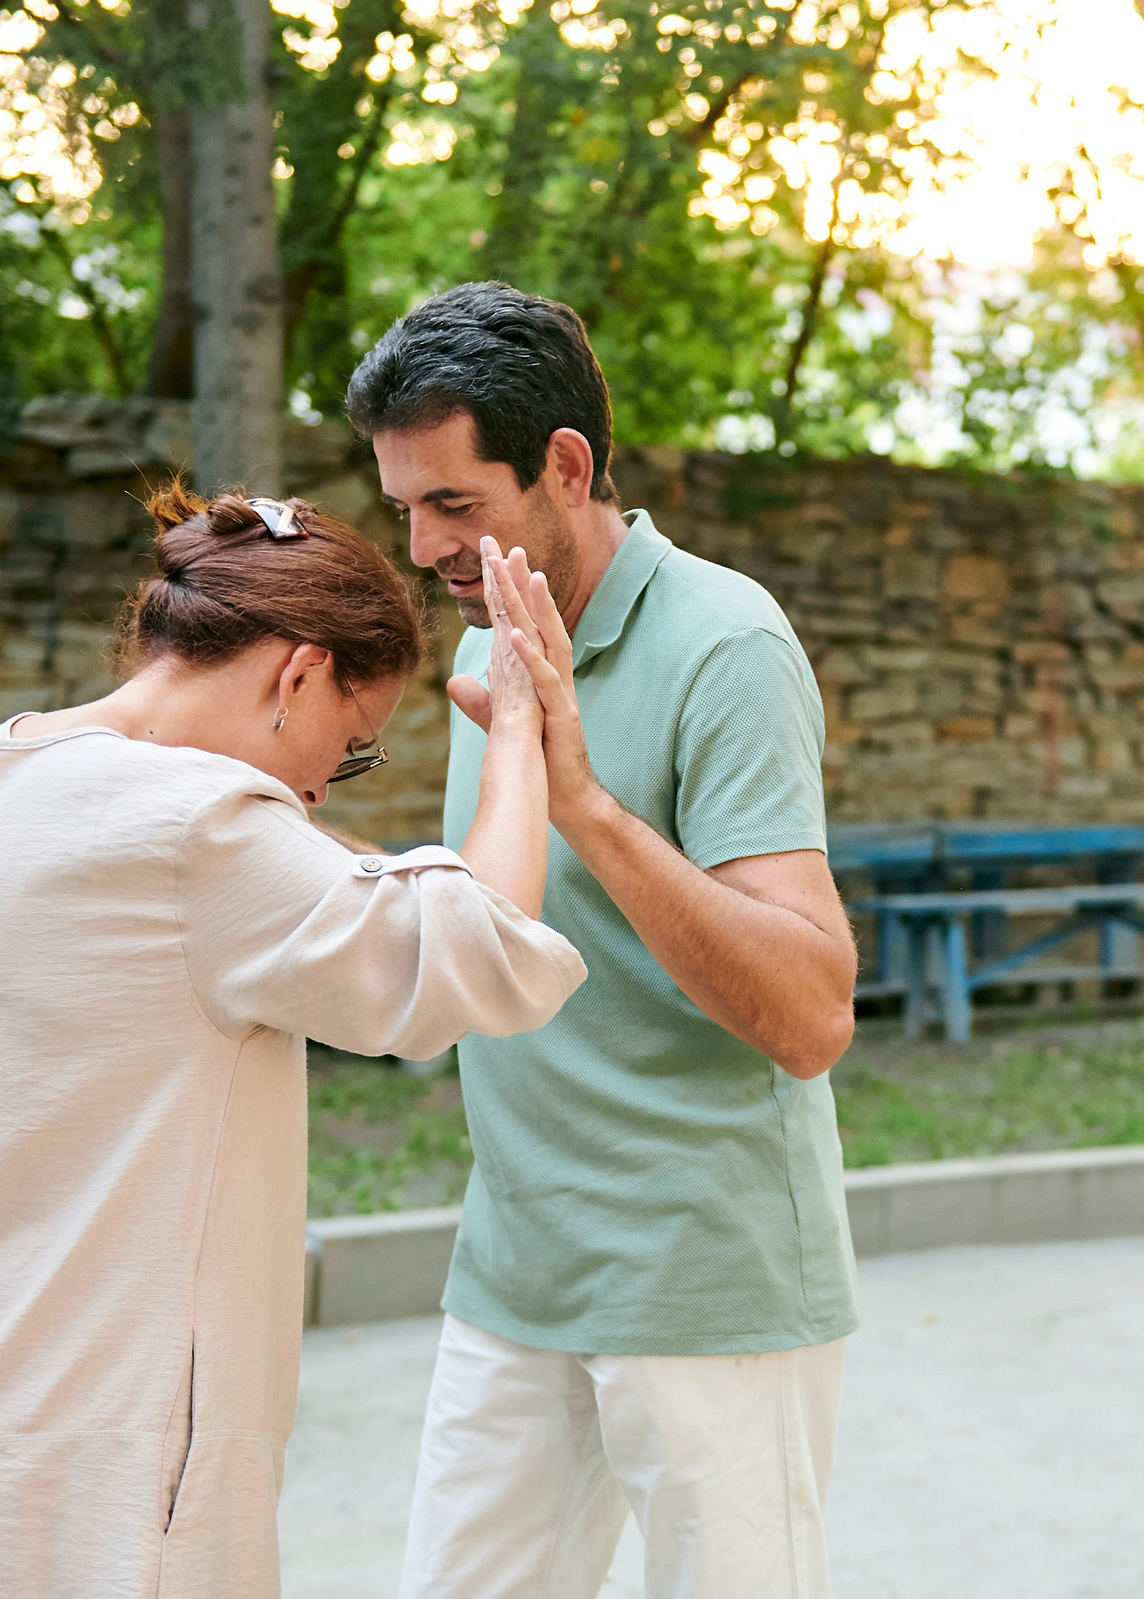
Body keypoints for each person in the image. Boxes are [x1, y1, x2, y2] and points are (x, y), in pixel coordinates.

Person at [0, 485, 587, 1598]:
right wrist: (521, 727)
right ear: (299, 673)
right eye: (351, 746)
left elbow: (288, 878)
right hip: (89, 1487)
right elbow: (482, 946)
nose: (319, 788)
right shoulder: (198, 833)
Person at [347, 283, 861, 1599]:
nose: (423, 545)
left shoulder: (726, 643)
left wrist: (584, 802)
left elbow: (812, 1014)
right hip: (515, 1267)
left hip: (706, 1283)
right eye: (405, 507)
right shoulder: (490, 646)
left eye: (453, 502)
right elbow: (500, 929)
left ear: (565, 468)